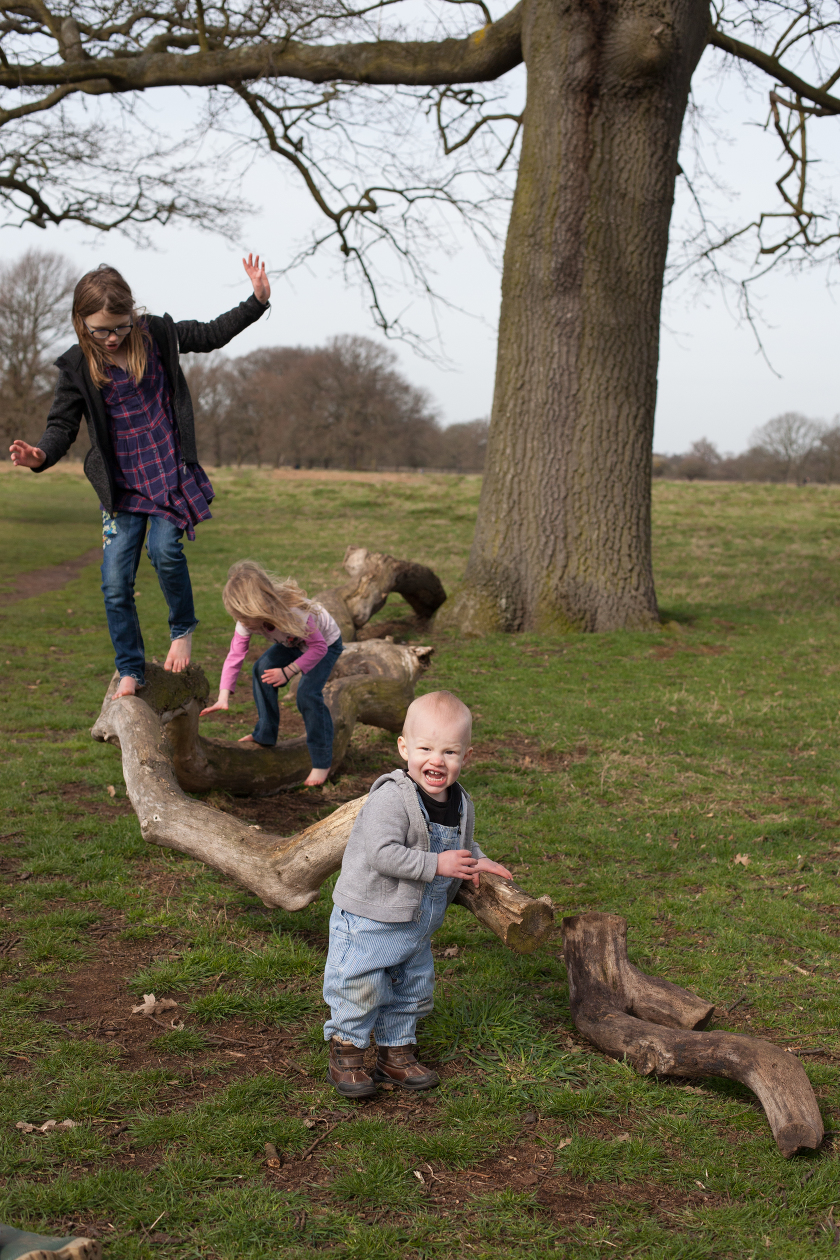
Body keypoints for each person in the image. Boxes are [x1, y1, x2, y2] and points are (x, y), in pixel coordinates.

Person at [9, 256, 271, 700]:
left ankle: (182, 628)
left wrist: (256, 301)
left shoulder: (157, 335)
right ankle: (130, 668)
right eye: (101, 330)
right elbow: (61, 426)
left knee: (166, 550)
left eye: (120, 327)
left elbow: (210, 333)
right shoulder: (77, 366)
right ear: (81, 323)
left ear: (133, 315)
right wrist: (41, 456)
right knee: (114, 583)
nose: (111, 338)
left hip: (167, 471)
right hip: (121, 488)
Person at [322, 690, 513, 1097]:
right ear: (404, 747)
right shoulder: (391, 797)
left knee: (412, 987)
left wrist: (477, 860)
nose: (436, 761)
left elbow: (460, 843)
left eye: (449, 751)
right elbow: (382, 853)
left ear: (467, 754)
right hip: (371, 918)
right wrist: (437, 866)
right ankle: (348, 1052)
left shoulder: (460, 802)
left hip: (415, 923)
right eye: (425, 748)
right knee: (361, 985)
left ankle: (396, 1052)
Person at [200, 560, 343, 788]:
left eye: (246, 617)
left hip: (325, 644)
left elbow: (319, 648)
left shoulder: (295, 614)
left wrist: (287, 671)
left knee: (307, 694)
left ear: (261, 607)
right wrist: (223, 695)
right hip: (292, 642)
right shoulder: (246, 620)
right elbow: (235, 655)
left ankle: (322, 760)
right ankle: (265, 735)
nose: (243, 623)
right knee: (261, 669)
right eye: (238, 617)